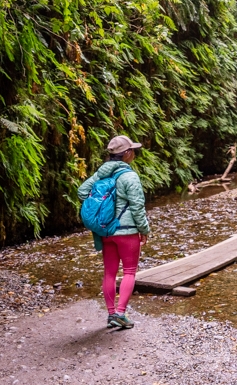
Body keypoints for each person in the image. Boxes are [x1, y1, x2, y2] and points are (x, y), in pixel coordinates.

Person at [77, 135, 150, 329]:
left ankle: (111, 315)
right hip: (127, 232)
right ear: (126, 154)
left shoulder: (100, 175)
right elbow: (137, 207)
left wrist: (102, 206)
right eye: (132, 150)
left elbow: (82, 192)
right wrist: (144, 230)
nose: (134, 153)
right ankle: (121, 313)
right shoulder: (130, 177)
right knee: (129, 271)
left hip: (106, 231)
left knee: (109, 273)